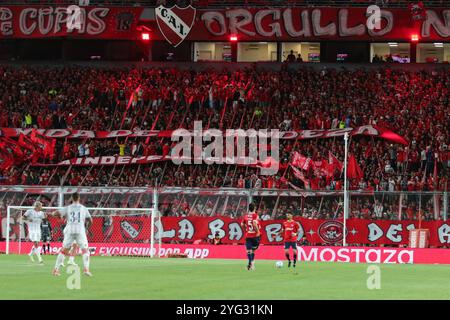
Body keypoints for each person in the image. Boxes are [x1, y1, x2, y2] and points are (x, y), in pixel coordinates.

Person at [51, 193, 93, 277]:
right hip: (80, 230)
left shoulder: (67, 208)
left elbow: (54, 213)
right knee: (85, 250)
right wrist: (88, 227)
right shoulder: (83, 208)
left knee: (64, 250)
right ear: (79, 198)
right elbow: (90, 220)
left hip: (69, 229)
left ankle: (56, 270)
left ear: (72, 199)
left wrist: (59, 217)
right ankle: (86, 270)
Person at [240, 203, 261, 271]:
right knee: (253, 250)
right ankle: (251, 263)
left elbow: (242, 224)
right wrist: (258, 232)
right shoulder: (255, 215)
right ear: (254, 208)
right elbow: (254, 224)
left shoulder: (245, 216)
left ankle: (250, 263)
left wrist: (246, 229)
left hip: (248, 235)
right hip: (255, 236)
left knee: (249, 251)